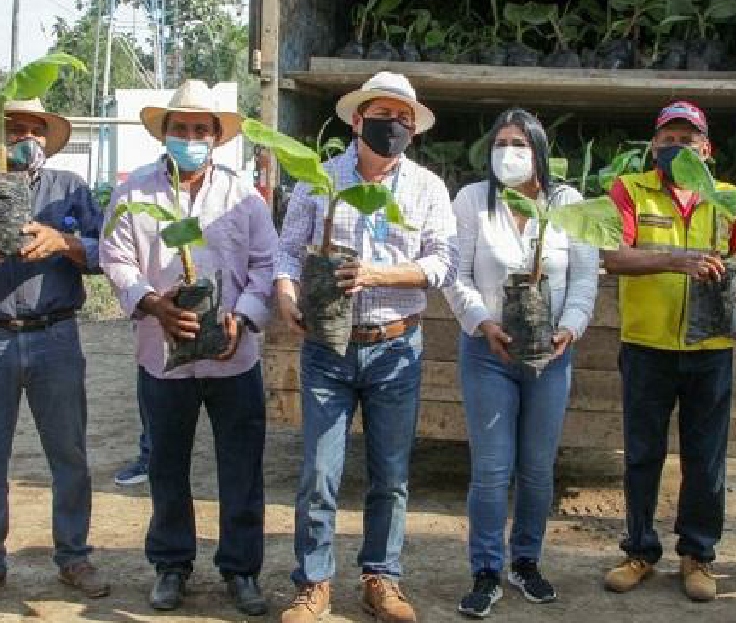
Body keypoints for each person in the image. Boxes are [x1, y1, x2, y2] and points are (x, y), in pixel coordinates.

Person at [275, 72, 457, 623]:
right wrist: (285, 292)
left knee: (391, 475)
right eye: (382, 115)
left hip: (395, 346)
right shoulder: (319, 178)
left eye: (403, 118)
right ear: (357, 120)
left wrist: (378, 274)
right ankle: (314, 582)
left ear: (413, 129)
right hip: (327, 348)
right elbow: (287, 252)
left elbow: (442, 263)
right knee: (319, 472)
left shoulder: (427, 187)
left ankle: (381, 577)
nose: (393, 125)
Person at [101, 79, 276, 616]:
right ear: (165, 132)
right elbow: (115, 257)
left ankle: (241, 570)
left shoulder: (243, 196)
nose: (192, 138)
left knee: (241, 467)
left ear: (217, 137)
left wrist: (242, 317)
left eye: (202, 129)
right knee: (166, 464)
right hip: (162, 355)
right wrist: (154, 303)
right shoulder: (135, 192)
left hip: (233, 358)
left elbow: (266, 264)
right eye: (182, 128)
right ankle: (171, 565)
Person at [0, 98, 109, 608]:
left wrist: (64, 242)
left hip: (55, 335)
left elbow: (104, 252)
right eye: (15, 130)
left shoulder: (69, 188)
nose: (26, 138)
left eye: (36, 130)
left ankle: (73, 556)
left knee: (68, 453)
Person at [601, 100, 736, 603]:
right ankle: (639, 551)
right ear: (654, 146)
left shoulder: (730, 197)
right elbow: (613, 256)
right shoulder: (629, 189)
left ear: (706, 149)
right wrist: (677, 259)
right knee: (642, 454)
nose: (676, 148)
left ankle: (697, 555)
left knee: (706, 457)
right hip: (646, 345)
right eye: (668, 140)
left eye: (687, 141)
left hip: (710, 347)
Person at [443, 108, 599, 618]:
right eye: (500, 143)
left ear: (539, 151)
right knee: (491, 469)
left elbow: (584, 279)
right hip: (487, 352)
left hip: (551, 354)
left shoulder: (567, 203)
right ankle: (486, 570)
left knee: (536, 467)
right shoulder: (473, 200)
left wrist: (570, 327)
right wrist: (482, 322)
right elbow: (456, 274)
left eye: (519, 143)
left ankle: (526, 561)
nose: (507, 152)